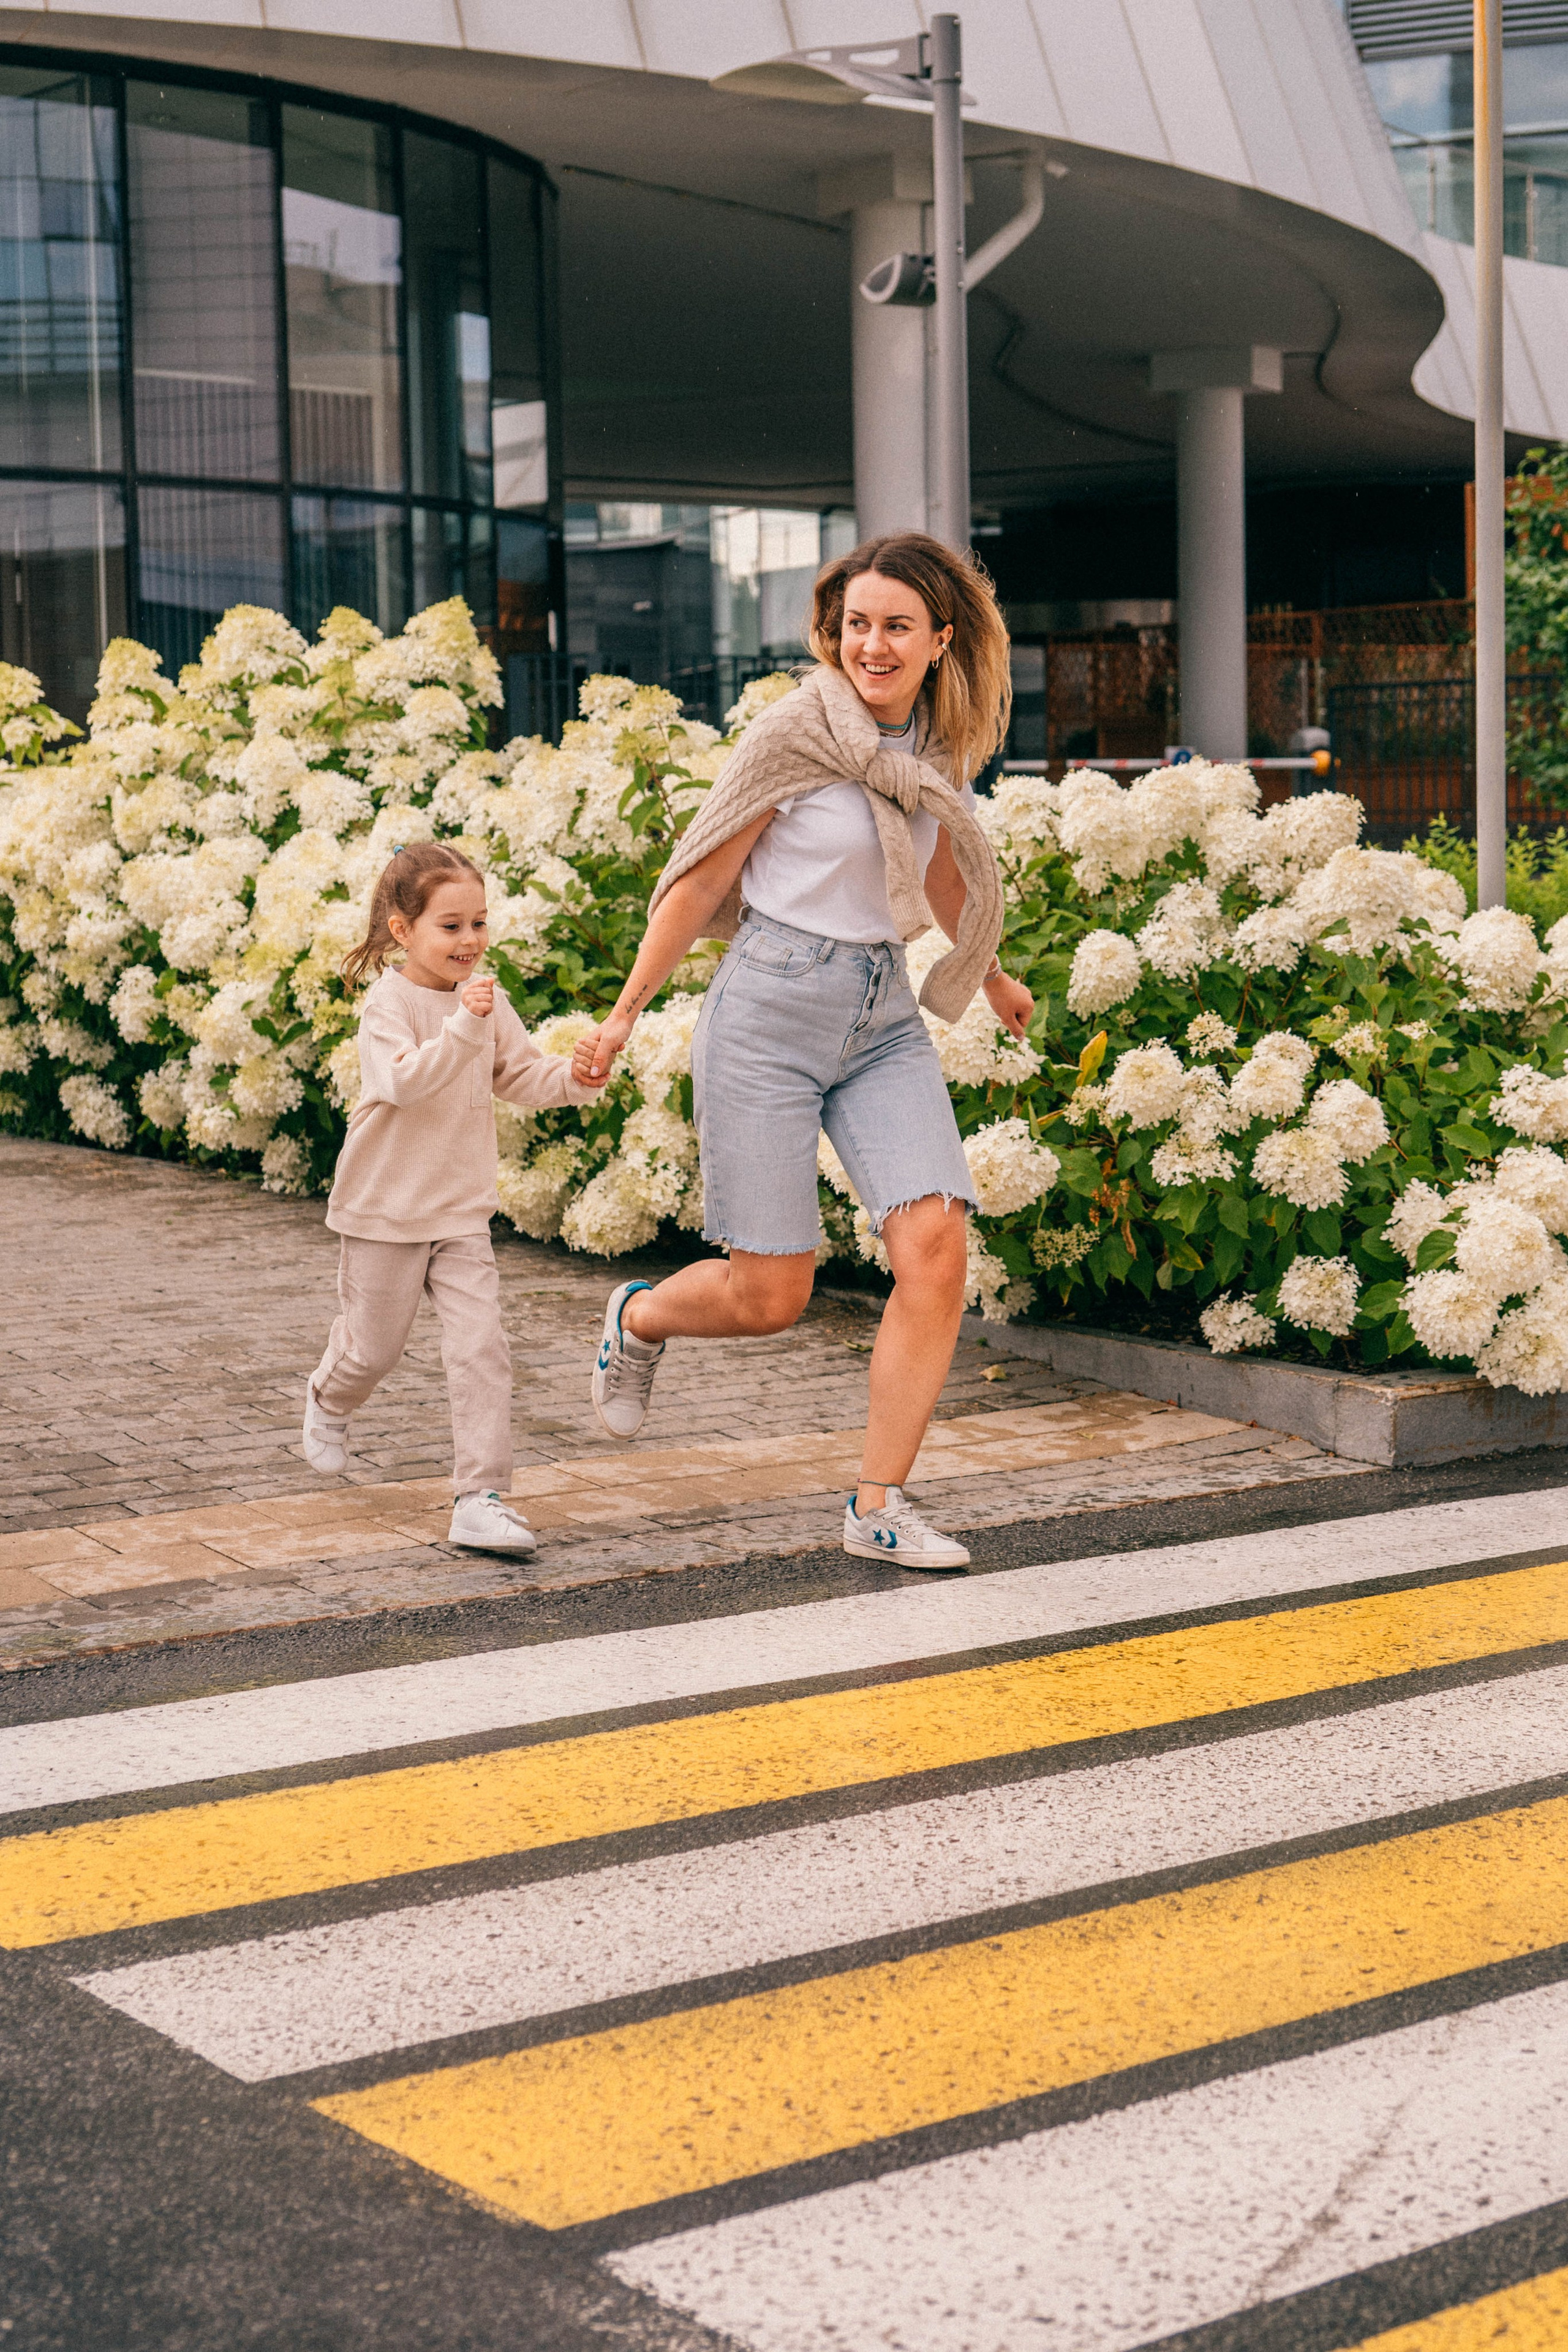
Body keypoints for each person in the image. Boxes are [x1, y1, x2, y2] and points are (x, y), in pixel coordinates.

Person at [571, 532, 1034, 1572]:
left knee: (937, 1247)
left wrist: (988, 971)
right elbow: (698, 879)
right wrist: (624, 1011)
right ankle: (640, 1319)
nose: (872, 644)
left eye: (896, 627)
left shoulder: (938, 742)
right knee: (770, 1298)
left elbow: (940, 870)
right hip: (769, 1014)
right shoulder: (792, 735)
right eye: (856, 625)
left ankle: (879, 1507)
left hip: (881, 1020)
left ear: (939, 639)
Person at [301, 840, 606, 1554]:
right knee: (373, 1351)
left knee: (481, 1350)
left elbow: (521, 1075)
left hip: (462, 1212)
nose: (470, 940)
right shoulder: (389, 1004)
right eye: (451, 926)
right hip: (385, 1211)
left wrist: (579, 1077)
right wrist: (465, 1024)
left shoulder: (483, 999)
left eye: (479, 923)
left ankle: (481, 1497)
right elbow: (405, 1082)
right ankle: (329, 1399)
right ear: (402, 929)